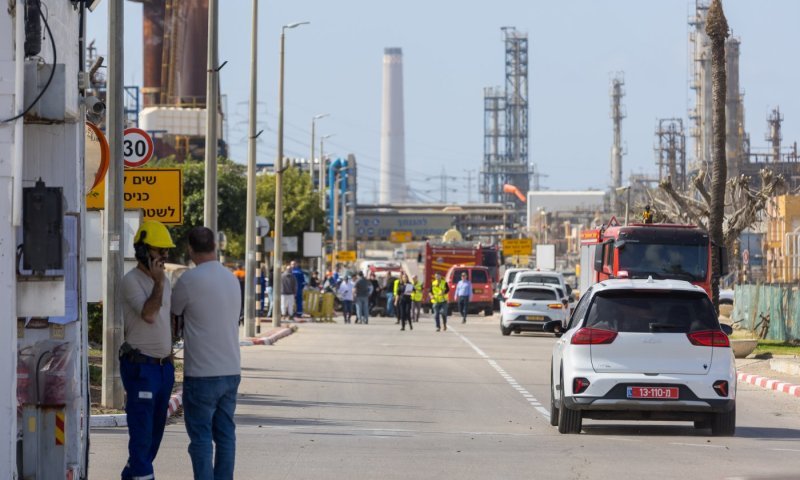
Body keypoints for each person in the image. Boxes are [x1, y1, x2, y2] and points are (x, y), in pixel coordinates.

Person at [171, 227, 242, 480]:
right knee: (225, 435)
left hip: (201, 373)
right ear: (215, 246)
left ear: (190, 250)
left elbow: (174, 312)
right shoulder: (232, 278)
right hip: (231, 370)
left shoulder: (189, 280)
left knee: (201, 438)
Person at [119, 220, 176, 480]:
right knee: (142, 434)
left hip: (164, 368)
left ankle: (133, 474)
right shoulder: (132, 281)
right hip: (141, 367)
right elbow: (150, 315)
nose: (164, 256)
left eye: (166, 251)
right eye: (158, 250)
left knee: (154, 435)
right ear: (143, 251)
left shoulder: (163, 280)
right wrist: (159, 283)